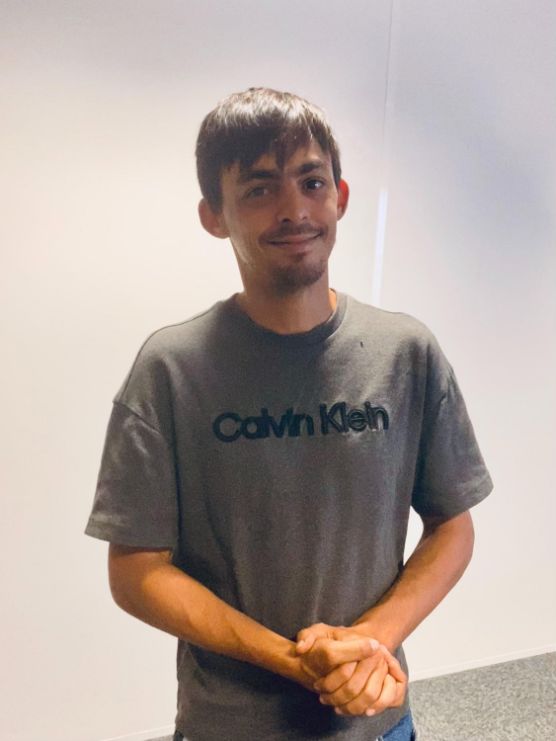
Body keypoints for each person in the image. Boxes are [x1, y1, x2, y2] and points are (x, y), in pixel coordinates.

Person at [85, 87, 493, 741]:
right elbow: (136, 569)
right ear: (213, 215)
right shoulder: (171, 369)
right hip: (228, 728)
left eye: (311, 181)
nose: (295, 209)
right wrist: (293, 660)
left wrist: (370, 640)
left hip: (379, 723)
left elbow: (453, 524)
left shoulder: (405, 353)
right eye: (259, 189)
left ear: (341, 197)